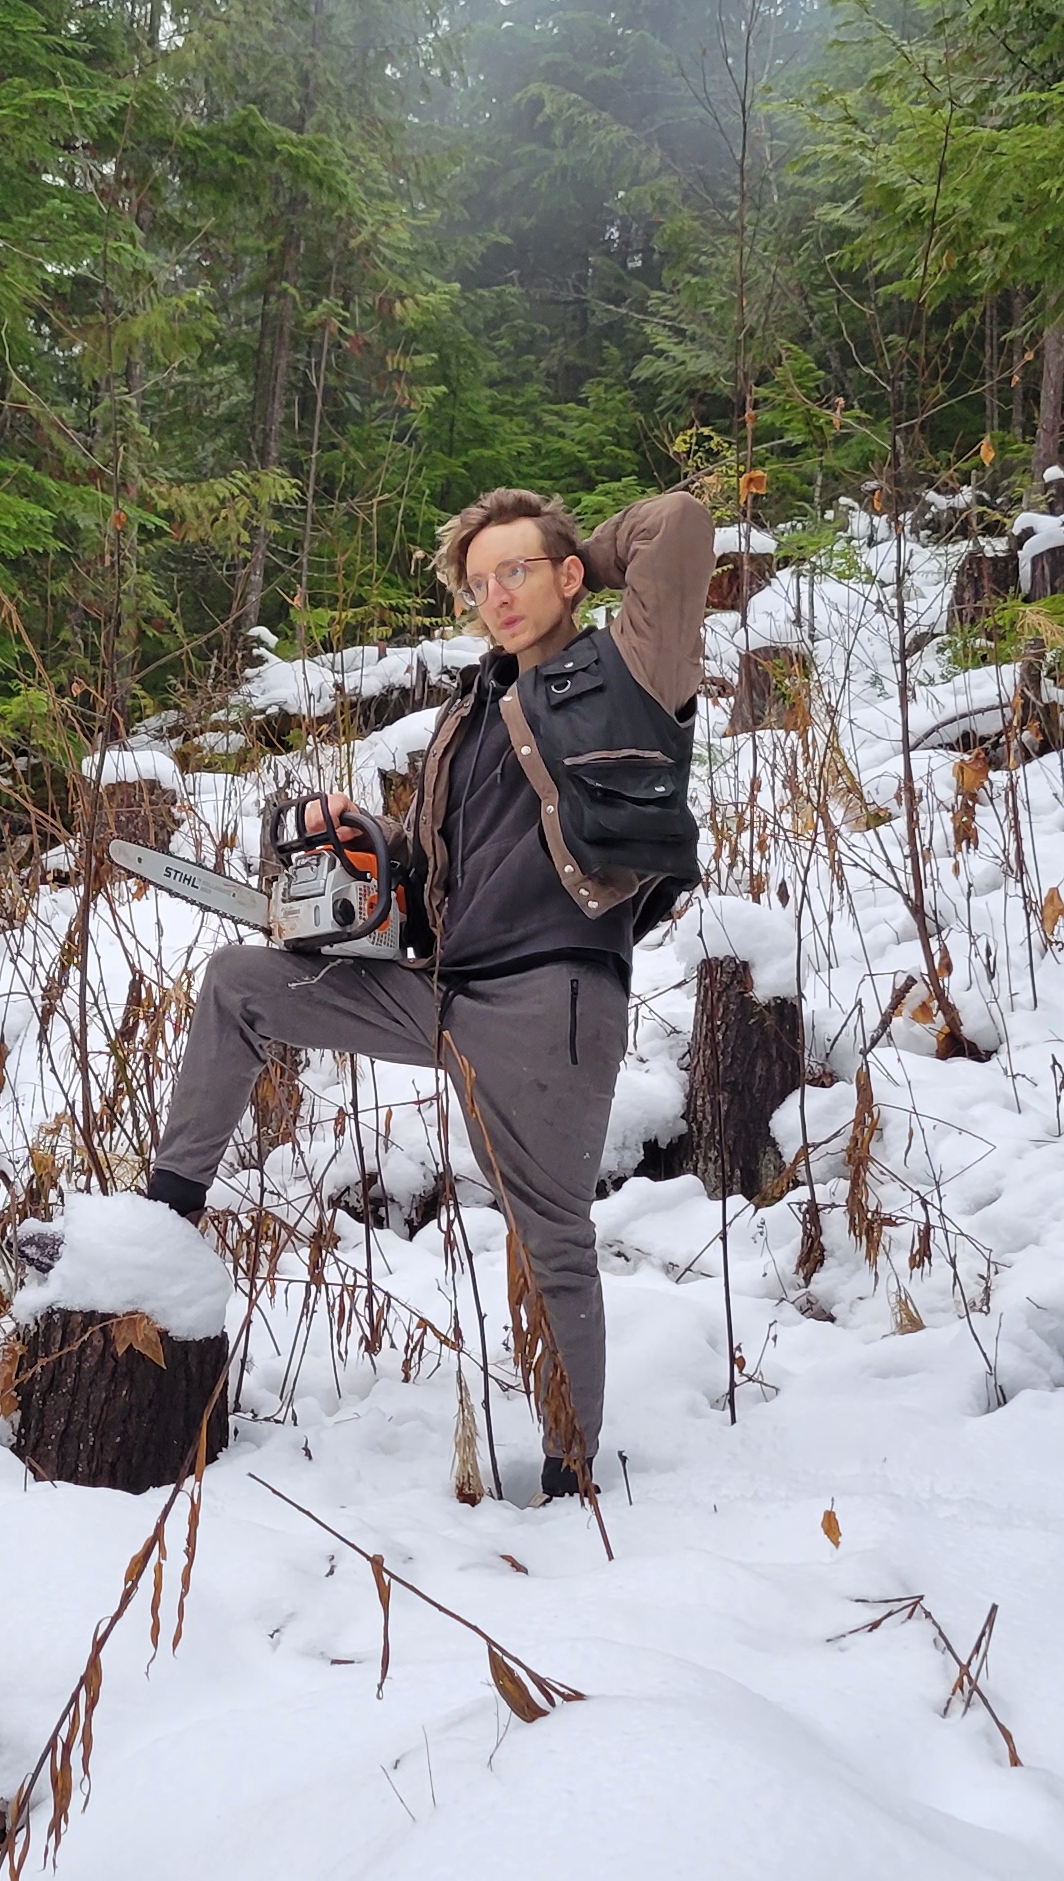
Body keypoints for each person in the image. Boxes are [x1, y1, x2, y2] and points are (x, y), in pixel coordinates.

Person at [142, 486, 711, 1499]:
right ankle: (161, 1215)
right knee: (241, 983)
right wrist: (360, 846)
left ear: (570, 575)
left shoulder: (625, 668)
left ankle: (571, 1474)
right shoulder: (472, 707)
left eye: (520, 570)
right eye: (482, 580)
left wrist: (580, 551)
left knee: (551, 1239)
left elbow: (679, 524)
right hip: (439, 987)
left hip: (548, 1002)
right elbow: (443, 859)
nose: (498, 594)